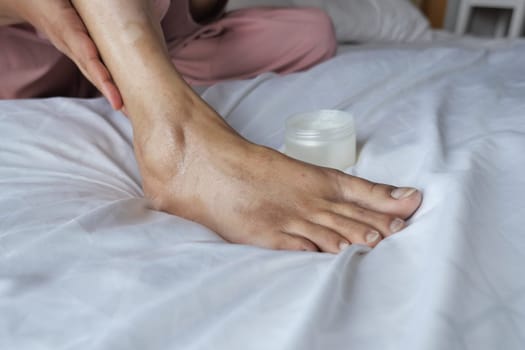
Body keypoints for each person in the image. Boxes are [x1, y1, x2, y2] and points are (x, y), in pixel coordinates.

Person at [0, 0, 422, 254]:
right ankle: (176, 141)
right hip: (24, 55)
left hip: (151, 36)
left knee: (312, 31)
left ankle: (143, 75)